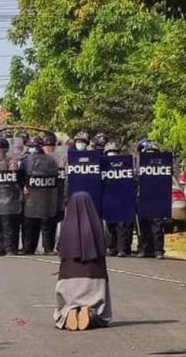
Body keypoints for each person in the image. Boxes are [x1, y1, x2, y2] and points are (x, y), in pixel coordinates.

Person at [54, 192, 113, 331]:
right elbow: (107, 243)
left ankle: (70, 310)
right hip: (95, 274)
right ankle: (90, 311)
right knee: (101, 311)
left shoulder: (61, 226)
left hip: (68, 275)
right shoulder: (101, 224)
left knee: (63, 306)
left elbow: (58, 247)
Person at [21, 137, 59, 255]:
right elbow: (20, 176)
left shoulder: (50, 160)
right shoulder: (25, 161)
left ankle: (48, 248)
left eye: (35, 147)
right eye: (31, 147)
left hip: (46, 196)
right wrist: (23, 186)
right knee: (30, 224)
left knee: (47, 223)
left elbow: (56, 177)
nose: (33, 150)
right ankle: (28, 248)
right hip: (31, 198)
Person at [136, 140, 166, 259]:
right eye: (147, 153)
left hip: (156, 199)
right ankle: (144, 249)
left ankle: (158, 250)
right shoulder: (137, 167)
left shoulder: (162, 166)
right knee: (143, 225)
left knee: (157, 226)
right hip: (142, 198)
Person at [103, 142, 133, 257]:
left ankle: (121, 249)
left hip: (121, 199)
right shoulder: (103, 167)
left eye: (114, 153)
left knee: (121, 225)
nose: (112, 156)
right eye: (110, 154)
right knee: (110, 225)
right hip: (109, 199)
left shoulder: (124, 166)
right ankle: (112, 248)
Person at [41, 134, 63, 255]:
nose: (48, 148)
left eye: (50, 145)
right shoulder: (39, 159)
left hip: (57, 194)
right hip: (43, 195)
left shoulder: (60, 158)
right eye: (46, 145)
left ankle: (56, 246)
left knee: (55, 222)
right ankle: (47, 248)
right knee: (46, 223)